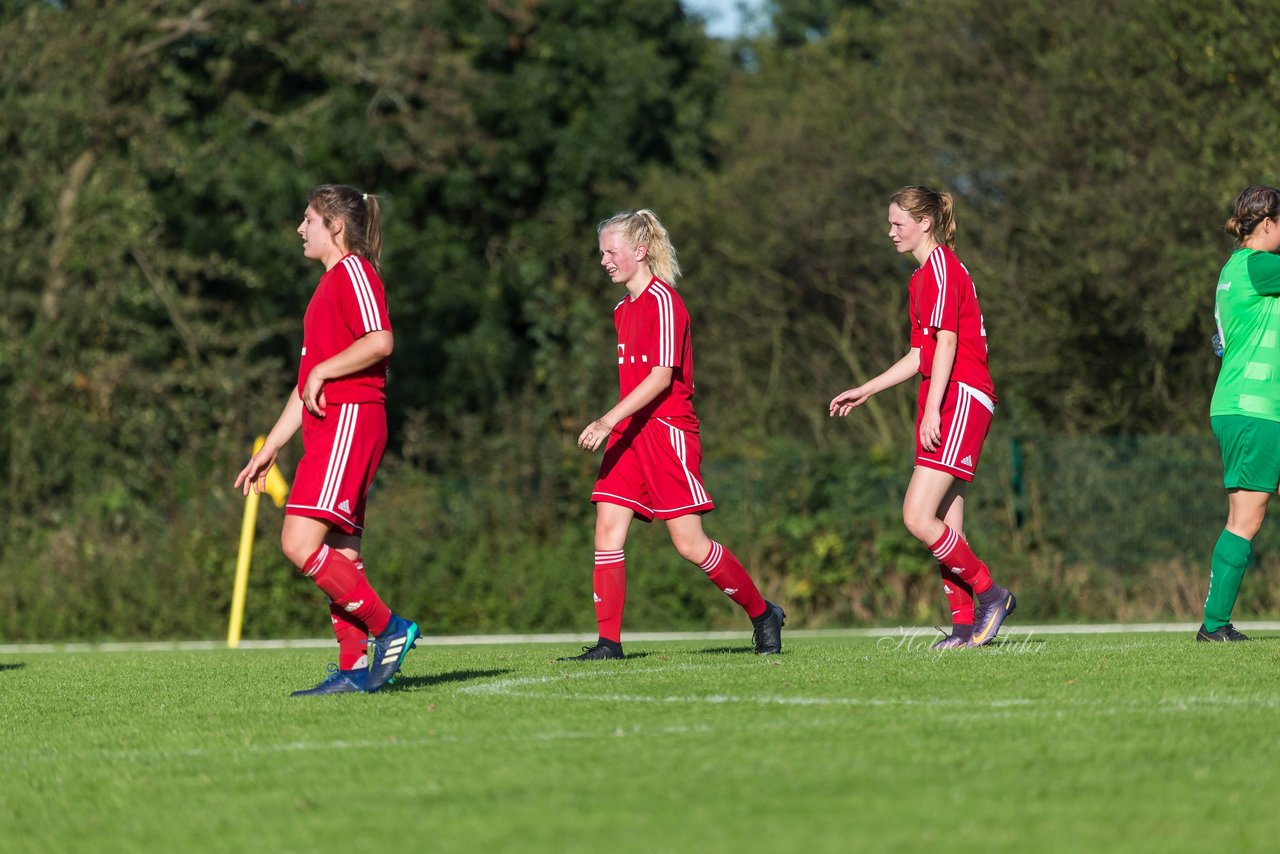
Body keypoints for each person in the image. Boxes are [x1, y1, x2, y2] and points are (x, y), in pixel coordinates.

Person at [559, 209, 785, 660]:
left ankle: (763, 614)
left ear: (639, 251)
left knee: (689, 544)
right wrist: (617, 424)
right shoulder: (621, 309)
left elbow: (662, 378)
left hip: (666, 432)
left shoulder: (665, 301)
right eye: (601, 252)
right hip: (630, 434)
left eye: (611, 251)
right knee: (607, 529)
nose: (603, 260)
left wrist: (606, 420)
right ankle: (609, 644)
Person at [235, 184, 420, 694]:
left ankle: (390, 630)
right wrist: (271, 446)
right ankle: (355, 666)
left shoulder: (354, 271)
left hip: (351, 420)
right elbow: (307, 381)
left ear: (335, 226)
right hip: (331, 425)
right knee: (340, 554)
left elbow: (380, 340)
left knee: (298, 544)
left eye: (308, 220)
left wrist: (324, 372)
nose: (300, 228)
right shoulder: (326, 287)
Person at [828, 186, 1014, 649]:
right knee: (946, 527)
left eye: (898, 223)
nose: (890, 232)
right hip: (944, 396)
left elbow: (948, 345)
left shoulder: (943, 269)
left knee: (916, 516)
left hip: (960, 397)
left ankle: (992, 595)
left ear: (924, 223)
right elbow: (920, 354)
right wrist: (866, 389)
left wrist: (933, 407)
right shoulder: (920, 278)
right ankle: (966, 629)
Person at [1199, 185, 1280, 642]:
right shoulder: (1259, 265)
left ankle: (1215, 623)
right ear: (1267, 223)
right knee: (1245, 519)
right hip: (1254, 408)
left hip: (1240, 405)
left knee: (1243, 516)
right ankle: (1214, 625)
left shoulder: (1232, 269)